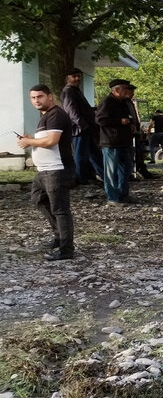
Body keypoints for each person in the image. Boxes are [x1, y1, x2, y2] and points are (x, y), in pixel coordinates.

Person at [17, 85, 75, 260]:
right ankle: (59, 237)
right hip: (44, 170)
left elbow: (51, 141)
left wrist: (29, 142)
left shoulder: (56, 114)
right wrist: (31, 139)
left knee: (60, 209)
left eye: (40, 97)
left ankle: (66, 250)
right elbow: (45, 140)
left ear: (50, 97)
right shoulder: (45, 116)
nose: (36, 100)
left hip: (56, 170)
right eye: (33, 98)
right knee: (38, 200)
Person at [60, 68, 104, 185]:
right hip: (79, 129)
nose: (77, 78)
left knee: (95, 154)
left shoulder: (75, 90)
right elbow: (71, 111)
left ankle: (105, 176)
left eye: (79, 76)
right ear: (67, 78)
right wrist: (83, 125)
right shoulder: (69, 91)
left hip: (85, 128)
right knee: (80, 155)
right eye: (74, 76)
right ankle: (80, 179)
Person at [96, 79, 135, 205]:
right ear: (117, 90)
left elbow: (128, 118)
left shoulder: (124, 102)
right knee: (111, 171)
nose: (127, 91)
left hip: (124, 141)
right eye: (125, 88)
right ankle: (112, 197)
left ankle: (123, 194)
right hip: (111, 142)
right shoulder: (107, 102)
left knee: (126, 169)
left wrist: (131, 125)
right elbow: (100, 120)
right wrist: (119, 121)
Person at [124, 84, 156, 180]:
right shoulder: (124, 103)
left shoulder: (130, 102)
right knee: (130, 154)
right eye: (131, 91)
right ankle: (130, 173)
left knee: (139, 152)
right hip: (128, 133)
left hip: (135, 131)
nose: (133, 93)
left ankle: (142, 170)